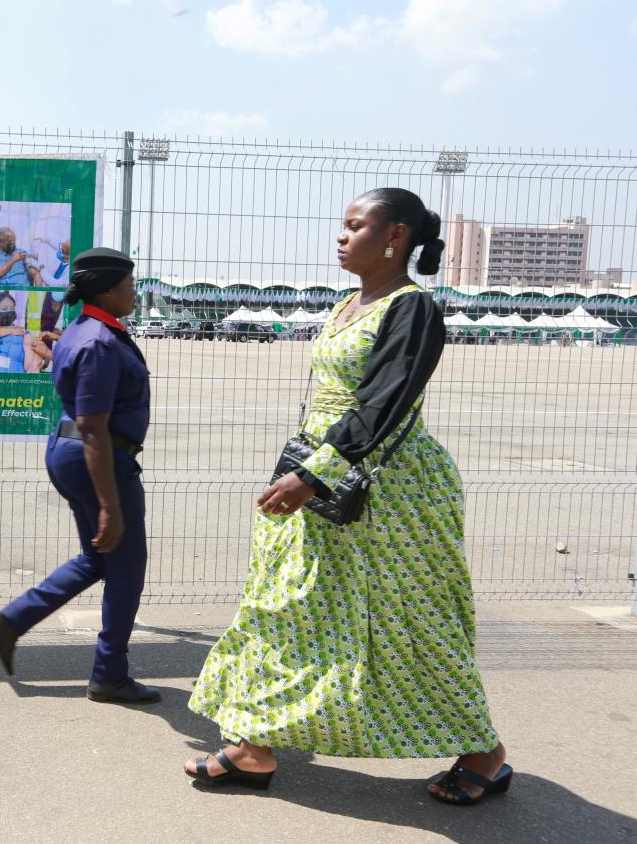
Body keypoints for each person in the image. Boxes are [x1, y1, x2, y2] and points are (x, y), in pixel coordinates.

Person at [183, 188, 511, 806]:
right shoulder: (348, 303)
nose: (341, 236)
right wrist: (307, 467)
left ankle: (485, 753)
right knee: (282, 604)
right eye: (343, 225)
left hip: (390, 489)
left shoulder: (413, 309)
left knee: (412, 621)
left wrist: (316, 473)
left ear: (396, 237)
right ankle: (253, 745)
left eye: (355, 226)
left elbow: (386, 403)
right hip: (323, 470)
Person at [0, 247, 159, 704]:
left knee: (99, 558)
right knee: (127, 568)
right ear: (106, 290)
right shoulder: (99, 341)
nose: (134, 293)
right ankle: (109, 675)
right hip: (96, 456)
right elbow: (94, 426)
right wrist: (108, 505)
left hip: (71, 452)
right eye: (129, 286)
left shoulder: (83, 330)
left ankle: (13, 621)